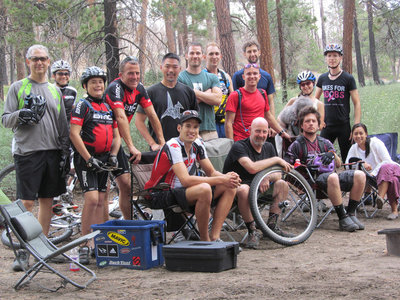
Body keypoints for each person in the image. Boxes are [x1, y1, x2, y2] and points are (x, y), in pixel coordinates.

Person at [2, 45, 69, 270]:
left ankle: (43, 248)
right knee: (26, 202)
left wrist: (64, 151)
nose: (39, 63)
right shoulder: (18, 87)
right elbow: (5, 119)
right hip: (27, 152)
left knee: (47, 201)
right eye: (34, 59)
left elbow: (62, 124)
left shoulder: (54, 90)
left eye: (43, 59)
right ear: (28, 61)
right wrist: (22, 114)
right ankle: (22, 251)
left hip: (52, 151)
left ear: (49, 61)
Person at [144, 110, 241, 241]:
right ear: (179, 128)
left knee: (230, 186)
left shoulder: (198, 144)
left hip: (182, 192)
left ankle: (215, 236)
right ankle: (205, 240)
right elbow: (185, 180)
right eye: (188, 126)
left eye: (195, 127)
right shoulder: (173, 145)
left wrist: (229, 178)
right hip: (159, 193)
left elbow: (211, 172)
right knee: (205, 189)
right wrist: (222, 178)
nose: (192, 130)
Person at [284, 106, 366, 232]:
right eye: (307, 121)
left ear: (318, 125)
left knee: (360, 174)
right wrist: (304, 168)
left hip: (332, 180)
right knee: (333, 176)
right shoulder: (297, 145)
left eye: (313, 121)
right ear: (301, 125)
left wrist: (332, 154)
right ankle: (342, 218)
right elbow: (287, 168)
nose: (311, 124)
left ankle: (350, 214)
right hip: (312, 182)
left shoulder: (325, 142)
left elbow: (338, 165)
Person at [70, 66, 121, 264]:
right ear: (85, 85)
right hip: (87, 160)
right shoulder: (82, 105)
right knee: (91, 200)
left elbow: (117, 135)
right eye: (93, 82)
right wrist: (88, 158)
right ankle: (84, 244)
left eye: (100, 81)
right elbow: (74, 134)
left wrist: (114, 155)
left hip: (105, 159)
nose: (98, 85)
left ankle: (99, 242)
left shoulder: (108, 108)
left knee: (102, 201)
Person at [105, 56, 164, 220]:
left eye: (137, 73)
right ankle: (100, 228)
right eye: (130, 73)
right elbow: (121, 117)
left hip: (116, 142)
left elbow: (151, 114)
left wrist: (162, 142)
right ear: (121, 74)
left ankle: (129, 223)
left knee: (126, 185)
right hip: (103, 140)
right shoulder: (115, 88)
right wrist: (131, 146)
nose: (135, 77)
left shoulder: (140, 88)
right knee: (102, 192)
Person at [223, 117, 292, 248]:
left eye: (264, 132)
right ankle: (252, 230)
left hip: (260, 190)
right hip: (235, 193)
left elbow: (278, 174)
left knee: (282, 184)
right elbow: (252, 167)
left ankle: (271, 227)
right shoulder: (239, 146)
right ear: (250, 130)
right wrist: (276, 159)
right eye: (258, 131)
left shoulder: (269, 147)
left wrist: (266, 177)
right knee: (244, 189)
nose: (261, 135)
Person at [135, 53, 198, 148]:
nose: (171, 70)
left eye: (175, 67)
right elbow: (139, 121)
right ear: (161, 67)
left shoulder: (188, 91)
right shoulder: (150, 92)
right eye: (167, 66)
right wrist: (152, 144)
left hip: (185, 148)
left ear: (180, 69)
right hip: (161, 148)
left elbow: (195, 121)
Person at [315, 44, 361, 162]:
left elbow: (356, 103)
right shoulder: (322, 78)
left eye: (335, 55)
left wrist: (356, 126)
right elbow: (315, 100)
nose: (332, 58)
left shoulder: (348, 78)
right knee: (322, 156)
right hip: (327, 125)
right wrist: (319, 120)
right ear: (326, 58)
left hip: (343, 125)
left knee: (348, 159)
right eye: (329, 55)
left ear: (340, 57)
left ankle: (348, 179)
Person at [225, 63, 290, 142]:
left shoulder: (263, 93)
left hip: (260, 140)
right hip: (241, 142)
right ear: (243, 77)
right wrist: (232, 145)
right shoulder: (235, 96)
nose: (252, 76)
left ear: (259, 77)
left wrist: (282, 133)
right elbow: (228, 123)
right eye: (249, 74)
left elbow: (268, 116)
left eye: (255, 73)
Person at [346, 123, 400, 220]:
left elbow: (387, 160)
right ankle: (394, 210)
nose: (358, 136)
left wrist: (373, 172)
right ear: (352, 136)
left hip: (391, 170)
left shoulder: (375, 143)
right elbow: (347, 165)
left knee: (386, 168)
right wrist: (360, 163)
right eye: (355, 134)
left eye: (361, 133)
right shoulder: (354, 148)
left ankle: (381, 197)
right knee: (393, 180)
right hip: (375, 178)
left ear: (366, 134)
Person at [178, 42, 222, 141]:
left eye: (198, 53)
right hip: (188, 130)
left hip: (209, 130)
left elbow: (218, 99)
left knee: (212, 156)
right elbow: (184, 104)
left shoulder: (212, 77)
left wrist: (193, 93)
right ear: (186, 56)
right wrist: (207, 94)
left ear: (202, 56)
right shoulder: (180, 78)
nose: (195, 56)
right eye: (192, 53)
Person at [275, 71, 324, 156]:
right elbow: (280, 118)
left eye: (308, 83)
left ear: (313, 83)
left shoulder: (319, 104)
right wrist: (283, 129)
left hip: (309, 139)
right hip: (291, 138)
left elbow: (320, 126)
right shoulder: (294, 100)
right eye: (302, 84)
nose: (305, 86)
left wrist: (308, 125)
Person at [232, 41, 276, 118]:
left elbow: (270, 101)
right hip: (244, 122)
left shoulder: (266, 76)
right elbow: (233, 102)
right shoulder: (238, 76)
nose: (252, 54)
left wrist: (272, 125)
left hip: (262, 121)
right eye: (249, 52)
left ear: (259, 52)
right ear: (244, 54)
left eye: (254, 51)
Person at [203, 42, 233, 138]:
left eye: (216, 54)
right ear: (205, 57)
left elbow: (233, 98)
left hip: (225, 123)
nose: (214, 56)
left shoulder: (226, 76)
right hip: (209, 124)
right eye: (211, 54)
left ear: (220, 56)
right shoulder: (201, 76)